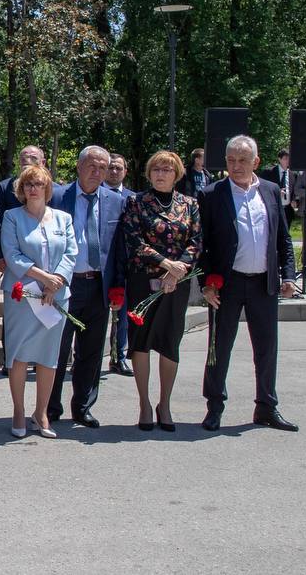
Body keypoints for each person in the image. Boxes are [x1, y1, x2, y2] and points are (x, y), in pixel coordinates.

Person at [200, 136, 299, 432]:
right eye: (231, 160)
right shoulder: (212, 194)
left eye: (242, 160)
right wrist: (207, 283)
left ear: (255, 162)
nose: (236, 166)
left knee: (267, 348)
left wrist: (289, 275)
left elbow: (283, 238)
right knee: (219, 347)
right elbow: (203, 245)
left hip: (263, 284)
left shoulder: (269, 191)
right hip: (225, 285)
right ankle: (214, 407)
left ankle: (266, 407)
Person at [120, 150, 201, 432]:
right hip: (144, 281)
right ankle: (144, 403)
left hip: (177, 284)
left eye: (167, 169)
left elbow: (196, 241)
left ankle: (164, 403)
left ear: (177, 173)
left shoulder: (189, 203)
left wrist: (178, 269)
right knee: (140, 341)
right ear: (149, 173)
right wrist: (165, 263)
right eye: (156, 169)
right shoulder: (136, 202)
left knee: (170, 341)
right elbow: (133, 239)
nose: (161, 174)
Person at [46, 146, 126, 427]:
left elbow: (119, 248)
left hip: (98, 286)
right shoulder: (56, 196)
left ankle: (83, 406)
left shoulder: (115, 201)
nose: (97, 172)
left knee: (91, 352)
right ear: (79, 167)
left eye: (103, 168)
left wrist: (118, 286)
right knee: (57, 347)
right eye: (92, 166)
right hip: (64, 284)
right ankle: (50, 406)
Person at [0, 165, 77, 438]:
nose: (34, 189)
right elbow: (12, 254)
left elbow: (71, 253)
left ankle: (41, 412)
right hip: (23, 296)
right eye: (29, 184)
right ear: (22, 189)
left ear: (48, 188)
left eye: (39, 184)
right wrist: (42, 276)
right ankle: (19, 411)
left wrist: (56, 281)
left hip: (55, 296)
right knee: (19, 354)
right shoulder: (11, 217)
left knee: (49, 356)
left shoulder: (63, 219)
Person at [0, 145, 46, 375]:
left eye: (33, 158)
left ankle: (36, 356)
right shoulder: (5, 187)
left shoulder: (49, 188)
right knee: (16, 308)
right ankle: (11, 357)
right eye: (23, 157)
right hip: (13, 258)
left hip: (42, 259)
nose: (27, 160)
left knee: (40, 307)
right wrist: (0, 255)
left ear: (42, 162)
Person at [104, 152, 135, 375]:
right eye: (111, 168)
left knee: (122, 314)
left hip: (125, 264)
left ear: (125, 171)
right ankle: (79, 357)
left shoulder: (134, 198)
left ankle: (118, 356)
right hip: (102, 263)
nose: (114, 171)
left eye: (118, 168)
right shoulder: (96, 194)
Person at [258, 149, 295, 225]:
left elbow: (294, 191)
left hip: (287, 210)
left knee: (286, 234)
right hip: (273, 208)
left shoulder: (293, 174)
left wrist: (294, 200)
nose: (287, 161)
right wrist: (276, 192)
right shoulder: (269, 172)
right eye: (285, 159)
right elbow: (260, 187)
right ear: (279, 159)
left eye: (289, 159)